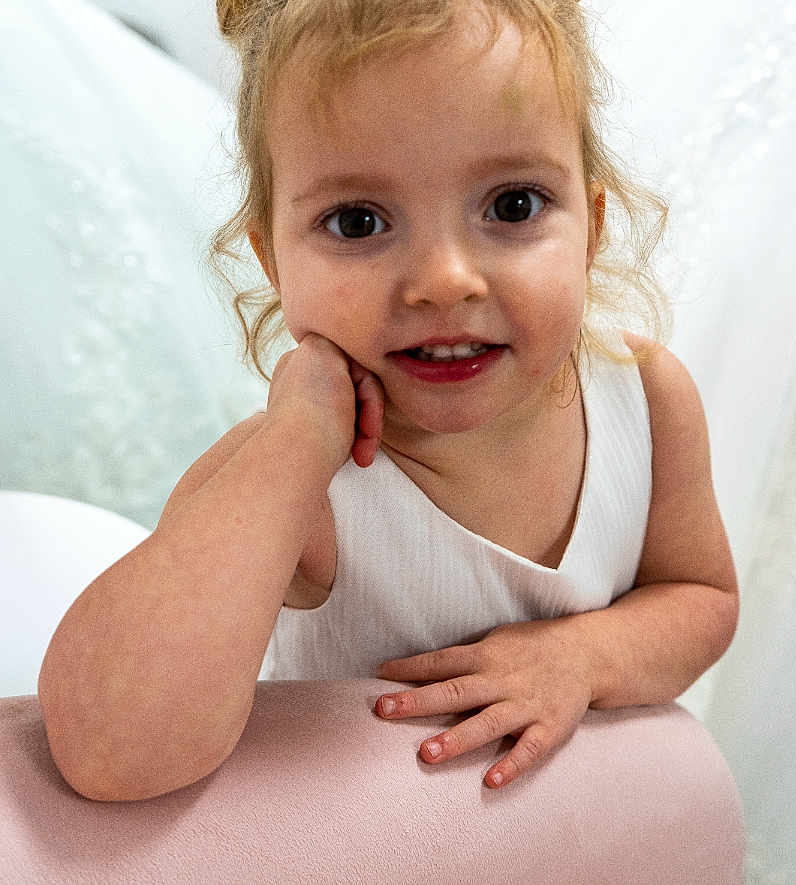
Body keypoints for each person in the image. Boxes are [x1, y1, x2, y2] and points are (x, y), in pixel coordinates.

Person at [37, 0, 738, 803]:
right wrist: (293, 445)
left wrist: (580, 656)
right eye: (358, 220)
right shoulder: (295, 483)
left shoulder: (643, 397)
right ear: (273, 258)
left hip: (574, 835)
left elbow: (700, 598)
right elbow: (109, 750)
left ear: (592, 224)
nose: (444, 281)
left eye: (512, 205)